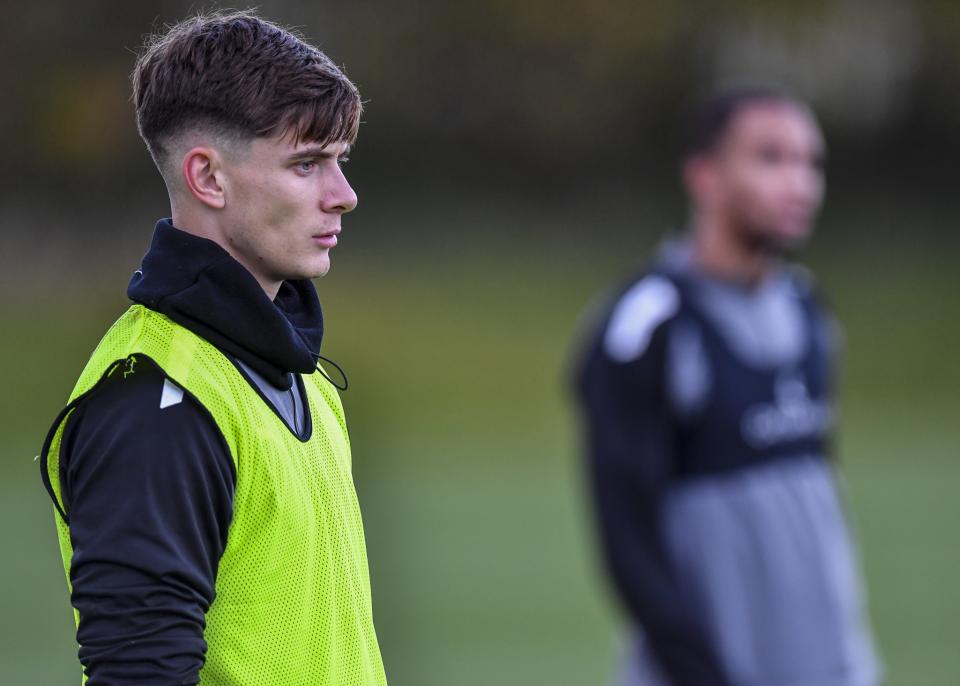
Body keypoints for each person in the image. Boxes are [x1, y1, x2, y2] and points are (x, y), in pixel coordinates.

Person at [39, 11, 386, 685]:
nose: (343, 196)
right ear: (208, 178)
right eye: (307, 164)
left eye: (340, 162)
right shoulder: (156, 402)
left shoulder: (301, 375)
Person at [573, 87, 881, 685]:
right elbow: (627, 542)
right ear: (705, 176)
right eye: (770, 158)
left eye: (810, 163)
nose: (801, 184)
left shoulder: (809, 310)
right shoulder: (647, 325)